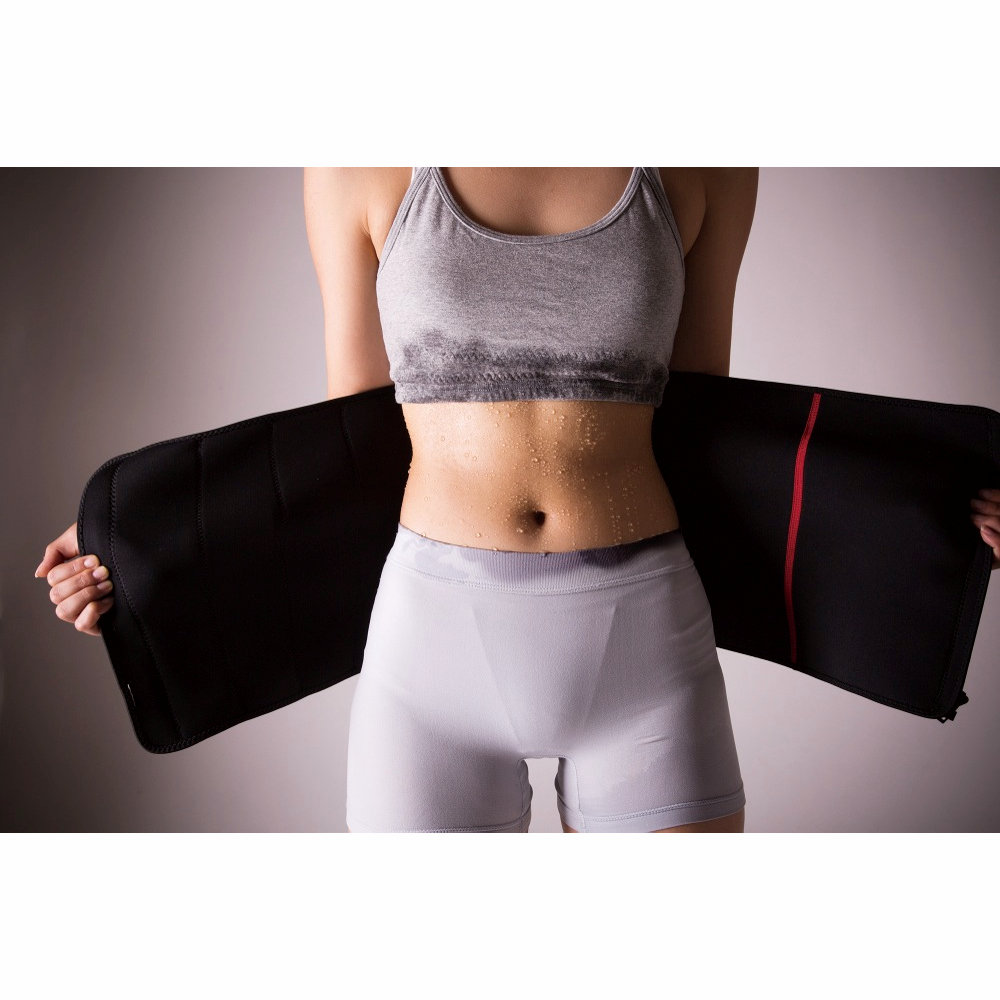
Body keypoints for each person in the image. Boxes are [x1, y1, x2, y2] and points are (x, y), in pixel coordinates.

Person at [35, 167, 1000, 833]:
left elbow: (715, 424)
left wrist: (938, 511)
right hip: (432, 649)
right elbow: (339, 444)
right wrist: (137, 544)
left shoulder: (702, 156)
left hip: (644, 641)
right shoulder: (358, 158)